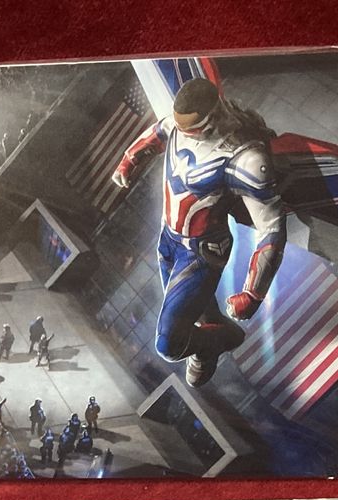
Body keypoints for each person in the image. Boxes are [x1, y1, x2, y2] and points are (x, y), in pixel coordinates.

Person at [112, 77, 285, 386]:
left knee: (169, 342)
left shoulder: (246, 159)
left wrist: (253, 293)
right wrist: (129, 160)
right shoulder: (178, 126)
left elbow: (271, 226)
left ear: (211, 118)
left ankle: (224, 340)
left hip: (200, 253)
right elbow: (159, 132)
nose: (180, 130)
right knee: (200, 316)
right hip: (169, 238)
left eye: (189, 127)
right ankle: (209, 348)